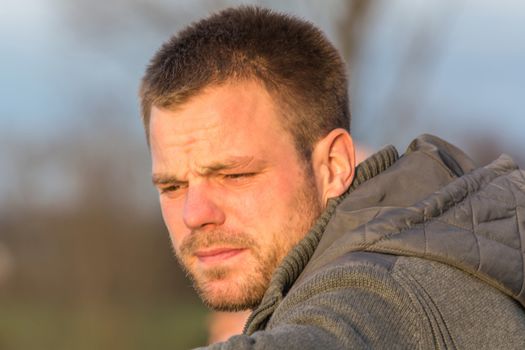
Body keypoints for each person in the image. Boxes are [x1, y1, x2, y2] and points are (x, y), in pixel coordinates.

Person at [139, 6, 525, 349]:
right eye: (172, 186)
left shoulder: (391, 287)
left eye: (235, 174)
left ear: (334, 165)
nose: (194, 214)